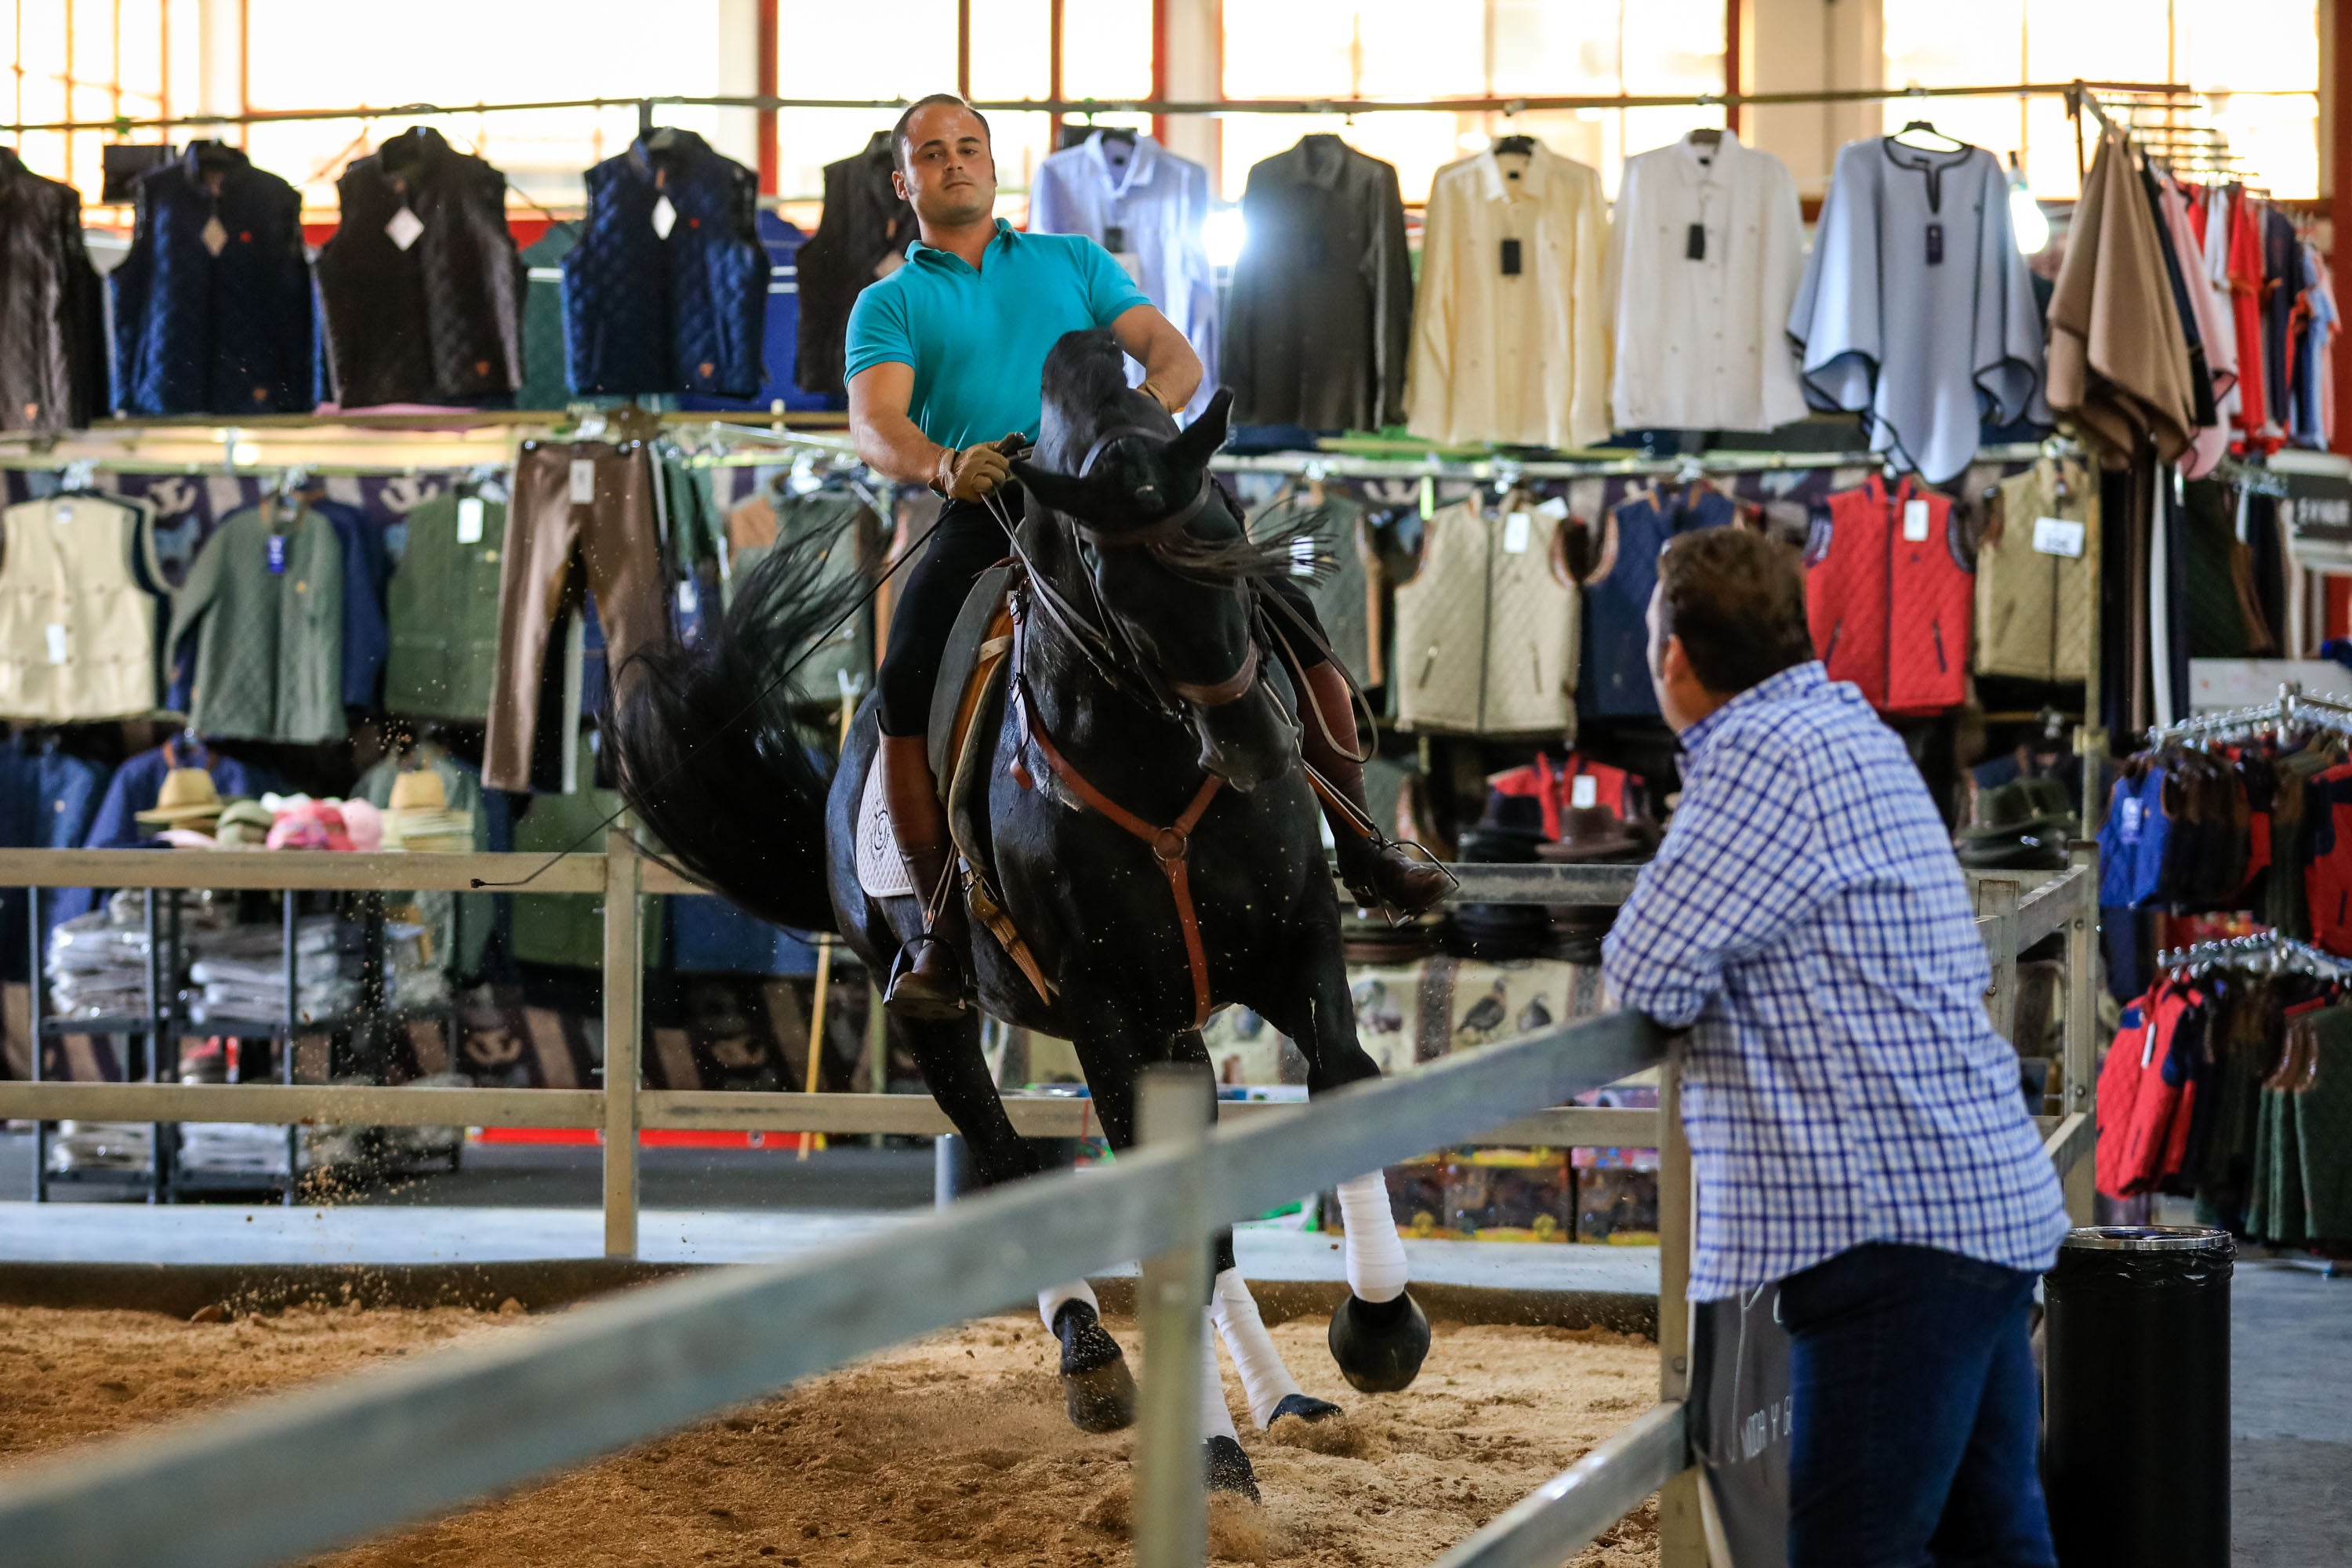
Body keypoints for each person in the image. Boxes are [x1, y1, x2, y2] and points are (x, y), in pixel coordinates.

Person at [845, 93, 1445, 1018]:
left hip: (1121, 497)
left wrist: (1133, 434)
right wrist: (941, 463)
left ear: (995, 165)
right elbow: (877, 421)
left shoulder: (1072, 260)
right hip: (992, 504)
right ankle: (934, 927)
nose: (954, 163)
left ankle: (1365, 840)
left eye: (969, 148)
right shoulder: (892, 300)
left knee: (1292, 618)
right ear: (905, 180)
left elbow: (1175, 357)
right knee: (904, 680)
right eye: (933, 153)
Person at [1599, 527, 2070, 1567]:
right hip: (1972, 1203)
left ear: (1674, 652)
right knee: (1995, 1542)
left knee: (1858, 1550)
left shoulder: (1760, 756)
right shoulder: (1846, 725)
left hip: (1889, 1235)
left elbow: (1641, 975)